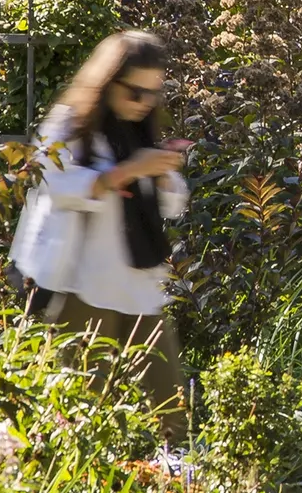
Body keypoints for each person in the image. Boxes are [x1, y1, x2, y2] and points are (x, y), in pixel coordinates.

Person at [27, 30, 193, 440]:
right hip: (85, 288)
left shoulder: (138, 129)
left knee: (172, 412)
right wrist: (126, 172)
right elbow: (50, 181)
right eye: (135, 92)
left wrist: (164, 173)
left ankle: (178, 491)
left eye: (153, 93)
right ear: (106, 82)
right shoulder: (70, 124)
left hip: (140, 283)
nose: (144, 103)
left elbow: (170, 204)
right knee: (85, 417)